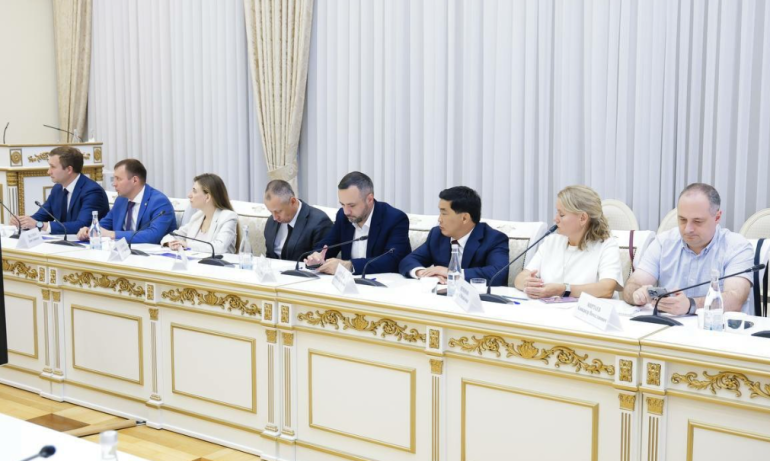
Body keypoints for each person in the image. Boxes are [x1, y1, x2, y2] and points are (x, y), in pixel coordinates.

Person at [623, 183, 754, 314]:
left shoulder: (737, 247)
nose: (688, 229)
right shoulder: (663, 243)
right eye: (682, 220)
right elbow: (632, 285)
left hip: (717, 325)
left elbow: (735, 300)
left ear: (717, 217)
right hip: (668, 324)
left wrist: (691, 305)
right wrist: (636, 295)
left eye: (697, 221)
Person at [514, 185, 622, 299]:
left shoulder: (607, 245)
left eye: (561, 215)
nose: (555, 219)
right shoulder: (551, 241)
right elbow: (520, 278)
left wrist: (563, 290)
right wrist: (527, 283)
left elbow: (606, 289)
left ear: (582, 218)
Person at [305, 171, 411, 275]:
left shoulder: (395, 219)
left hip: (384, 282)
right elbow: (327, 246)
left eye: (352, 205)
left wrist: (350, 266)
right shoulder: (343, 216)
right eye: (342, 204)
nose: (346, 211)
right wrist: (316, 257)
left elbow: (393, 260)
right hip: (347, 283)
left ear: (369, 199)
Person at [399, 186, 509, 285]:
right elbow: (408, 261)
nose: (439, 219)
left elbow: (498, 274)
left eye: (444, 213)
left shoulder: (494, 239)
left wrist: (451, 273)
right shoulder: (437, 235)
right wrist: (423, 273)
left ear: (464, 218)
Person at [13, 146, 109, 234]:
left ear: (69, 170)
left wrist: (39, 225)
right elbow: (41, 216)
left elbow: (82, 225)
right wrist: (21, 221)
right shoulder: (57, 189)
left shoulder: (92, 191)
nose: (48, 172)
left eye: (53, 167)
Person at [77, 159, 176, 244]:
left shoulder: (159, 202)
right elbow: (104, 225)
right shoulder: (121, 200)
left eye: (118, 179)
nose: (114, 184)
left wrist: (112, 234)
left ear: (134, 180)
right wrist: (89, 230)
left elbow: (153, 235)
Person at [160, 174, 238, 254]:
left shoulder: (228, 217)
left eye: (194, 191)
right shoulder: (197, 217)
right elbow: (172, 235)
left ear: (207, 197)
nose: (189, 195)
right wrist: (171, 243)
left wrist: (187, 245)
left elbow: (219, 247)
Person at [263, 179, 333, 261]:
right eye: (271, 212)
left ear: (293, 201)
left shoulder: (320, 222)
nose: (275, 217)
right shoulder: (271, 222)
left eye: (278, 211)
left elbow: (320, 260)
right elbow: (269, 256)